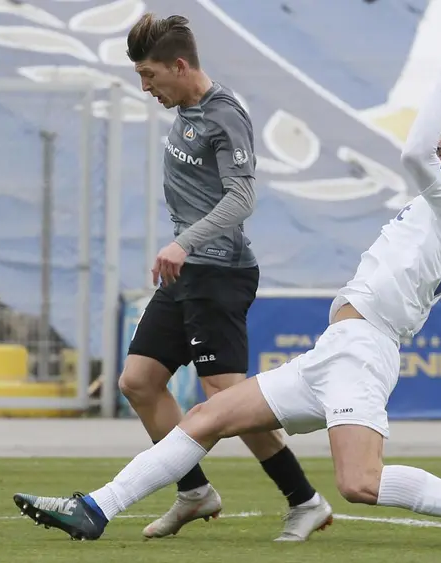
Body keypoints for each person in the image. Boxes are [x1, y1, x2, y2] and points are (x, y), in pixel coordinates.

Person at [13, 27, 441, 544]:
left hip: (362, 354)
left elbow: (414, 156)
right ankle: (96, 508)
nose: (435, 159)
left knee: (360, 482)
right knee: (206, 417)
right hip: (336, 351)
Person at [94, 13, 330, 541]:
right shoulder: (186, 108)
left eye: (150, 75)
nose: (145, 87)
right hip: (188, 274)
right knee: (139, 382)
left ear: (180, 66)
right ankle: (194, 491)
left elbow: (242, 198)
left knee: (227, 399)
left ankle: (305, 500)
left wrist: (184, 242)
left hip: (219, 272)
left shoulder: (225, 115)